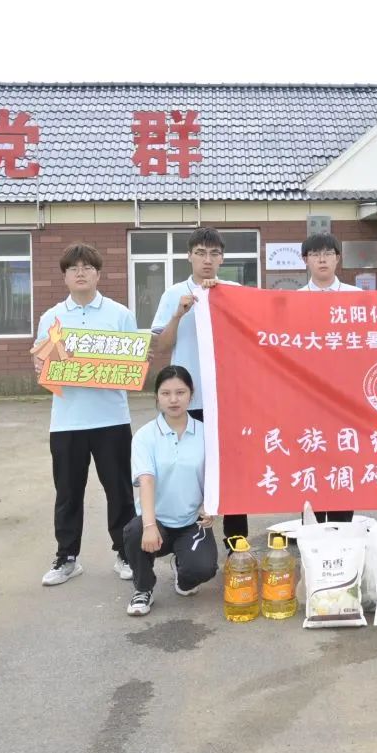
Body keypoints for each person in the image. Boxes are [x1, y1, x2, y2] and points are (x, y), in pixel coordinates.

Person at [31, 243, 139, 587]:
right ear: (64, 276)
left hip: (112, 419)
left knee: (120, 491)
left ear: (98, 273)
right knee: (67, 492)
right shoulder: (51, 318)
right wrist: (42, 368)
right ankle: (67, 557)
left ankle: (126, 552)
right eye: (73, 268)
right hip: (67, 421)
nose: (80, 273)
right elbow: (42, 366)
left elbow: (134, 363)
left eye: (87, 267)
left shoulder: (120, 314)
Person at [150, 226, 246, 547]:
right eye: (201, 253)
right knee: (191, 470)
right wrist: (179, 314)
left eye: (214, 254)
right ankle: (194, 543)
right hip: (188, 400)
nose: (207, 260)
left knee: (232, 473)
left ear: (222, 259)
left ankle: (236, 544)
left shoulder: (234, 292)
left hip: (228, 399)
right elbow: (162, 347)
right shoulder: (173, 294)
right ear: (189, 256)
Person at [123, 366, 220, 616]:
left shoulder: (206, 433)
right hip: (157, 522)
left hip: (192, 521)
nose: (173, 399)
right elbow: (146, 480)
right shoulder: (145, 436)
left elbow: (215, 476)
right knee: (134, 532)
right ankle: (143, 588)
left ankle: (183, 572)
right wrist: (149, 525)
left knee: (203, 569)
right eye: (166, 393)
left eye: (180, 392)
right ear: (157, 396)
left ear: (191, 394)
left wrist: (210, 505)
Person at [299, 232, 358, 523]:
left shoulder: (357, 297)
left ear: (338, 258)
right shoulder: (292, 300)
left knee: (343, 459)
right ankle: (311, 534)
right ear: (305, 260)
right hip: (306, 397)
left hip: (347, 398)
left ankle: (342, 531)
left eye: (328, 254)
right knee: (310, 459)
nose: (322, 259)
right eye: (315, 254)